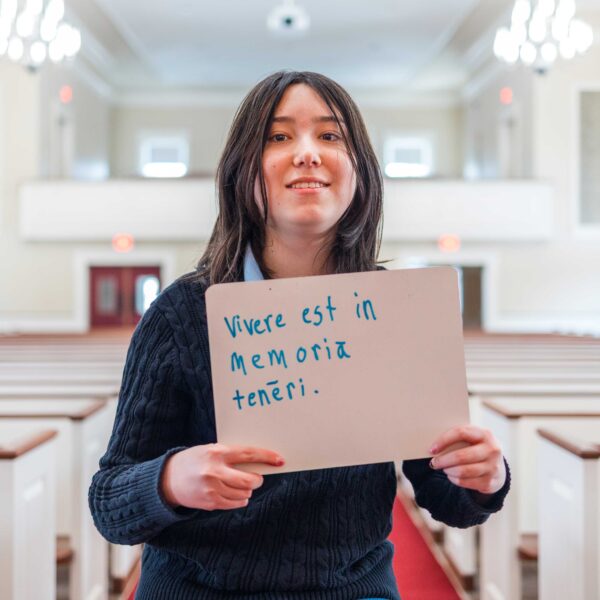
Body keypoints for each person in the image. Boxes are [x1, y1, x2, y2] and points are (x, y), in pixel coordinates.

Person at [89, 70, 510, 600]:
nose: (307, 153)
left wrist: (482, 478)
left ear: (360, 170)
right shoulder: (179, 313)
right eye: (279, 136)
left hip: (353, 590)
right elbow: (109, 504)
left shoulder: (398, 311)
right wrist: (170, 480)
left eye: (331, 136)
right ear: (243, 170)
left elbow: (446, 497)